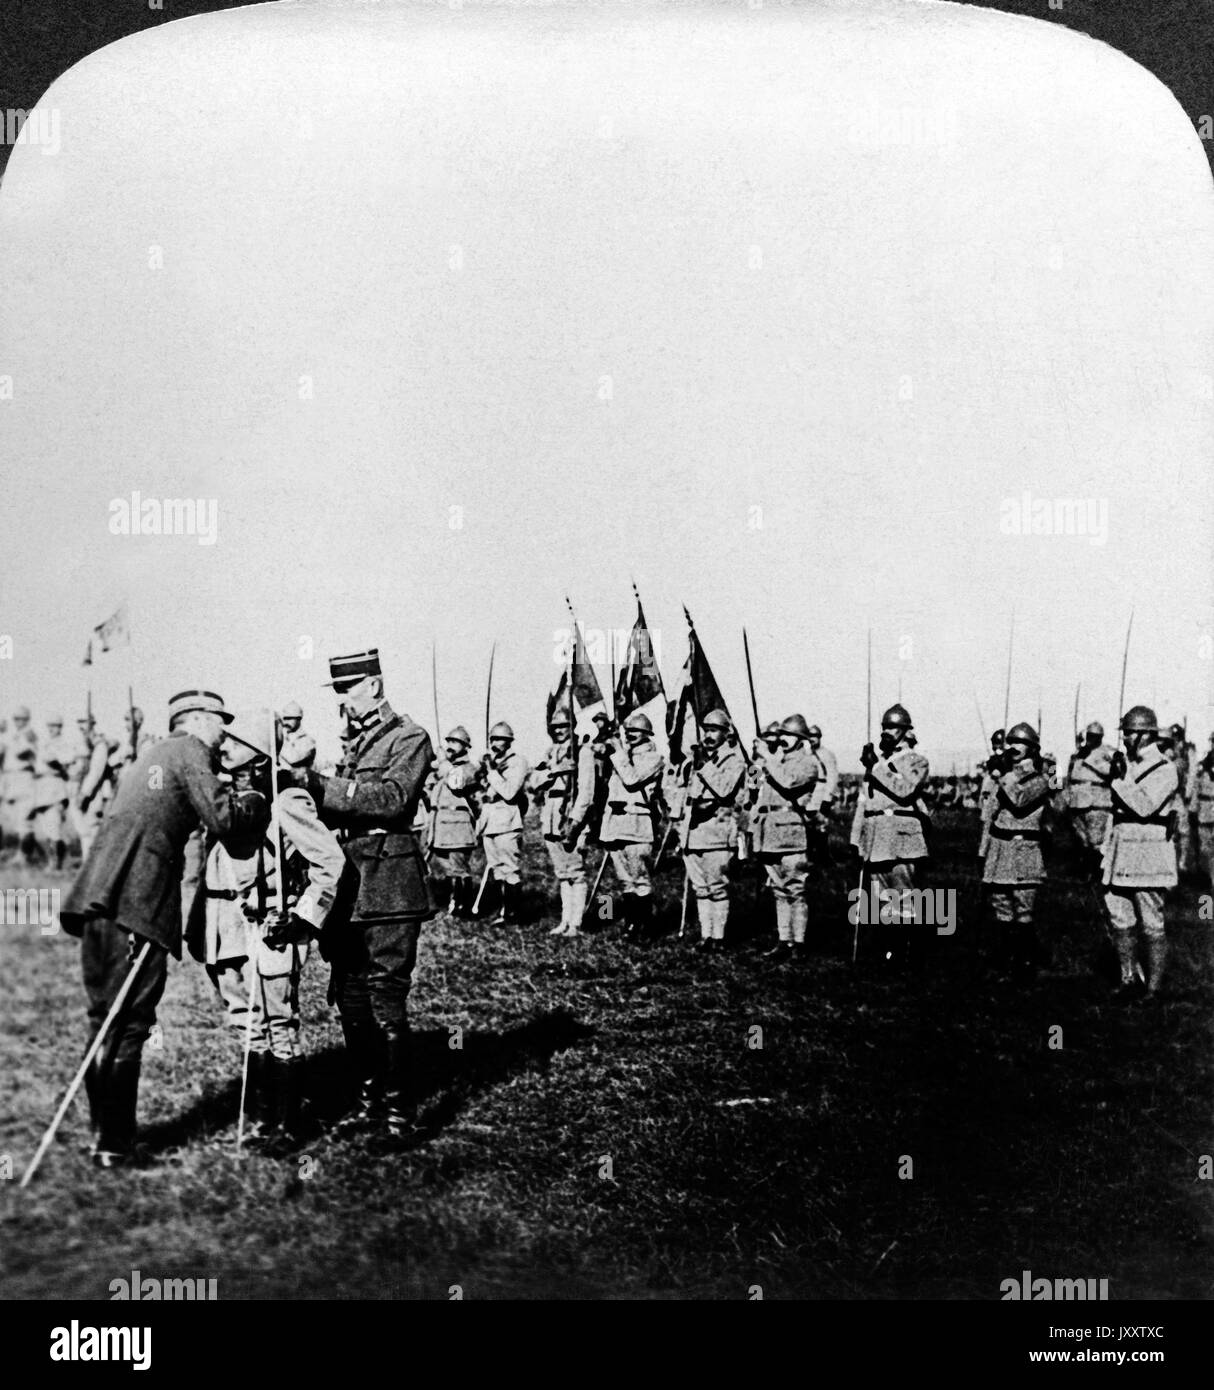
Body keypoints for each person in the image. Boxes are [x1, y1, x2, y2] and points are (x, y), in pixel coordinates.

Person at [61, 690, 265, 1168]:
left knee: (104, 1019)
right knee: (129, 1023)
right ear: (196, 720)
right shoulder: (190, 750)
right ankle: (115, 1145)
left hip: (96, 898)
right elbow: (225, 818)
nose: (224, 734)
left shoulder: (150, 753)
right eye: (221, 722)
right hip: (135, 903)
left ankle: (103, 1138)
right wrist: (254, 797)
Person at [186, 711, 345, 1151]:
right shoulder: (220, 795)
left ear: (258, 752)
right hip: (226, 926)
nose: (224, 747)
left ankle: (288, 1125)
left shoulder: (286, 800)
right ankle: (259, 1118)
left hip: (270, 926)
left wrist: (303, 916)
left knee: (279, 1021)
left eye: (235, 742)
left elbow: (330, 862)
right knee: (244, 1021)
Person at [294, 648, 435, 1142]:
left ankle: (399, 1117)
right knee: (351, 999)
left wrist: (319, 784)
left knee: (385, 999)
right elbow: (343, 808)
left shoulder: (409, 737)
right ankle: (370, 1102)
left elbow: (393, 799)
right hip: (352, 884)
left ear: (373, 686)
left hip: (391, 885)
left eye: (346, 690)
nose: (342, 701)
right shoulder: (355, 743)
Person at [1100, 705, 1179, 1003]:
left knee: (1151, 921)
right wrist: (1105, 850)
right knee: (1119, 915)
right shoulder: (1126, 766)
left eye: (1131, 733)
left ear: (1147, 735)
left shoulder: (1166, 769)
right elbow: (1116, 815)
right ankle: (1128, 978)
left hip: (1148, 853)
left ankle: (1154, 988)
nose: (1126, 739)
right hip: (1121, 851)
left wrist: (1120, 781)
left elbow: (1144, 807)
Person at [851, 703, 931, 967]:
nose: (887, 732)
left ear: (906, 731)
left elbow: (905, 790)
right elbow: (865, 803)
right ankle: (886, 953)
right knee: (882, 899)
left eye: (893, 727)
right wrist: (857, 839)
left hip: (902, 838)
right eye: (884, 727)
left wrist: (876, 768)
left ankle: (903, 955)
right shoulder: (878, 763)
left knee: (904, 897)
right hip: (877, 838)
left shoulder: (915, 761)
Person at [982, 722, 1051, 981]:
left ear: (1032, 749)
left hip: (1025, 848)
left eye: (1018, 743)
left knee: (1023, 907)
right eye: (1008, 743)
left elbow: (1020, 799)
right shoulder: (1004, 774)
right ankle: (1006, 962)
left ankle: (1024, 965)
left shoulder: (1040, 777)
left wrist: (1002, 775)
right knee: (1001, 905)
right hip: (1000, 846)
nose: (1011, 748)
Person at [751, 714, 821, 962]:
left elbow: (789, 783)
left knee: (795, 889)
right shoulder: (774, 760)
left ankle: (799, 943)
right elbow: (753, 785)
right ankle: (784, 940)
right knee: (779, 891)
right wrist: (757, 761)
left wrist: (768, 760)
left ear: (800, 739)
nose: (782, 739)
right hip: (769, 832)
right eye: (781, 734)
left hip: (791, 831)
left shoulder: (808, 763)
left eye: (788, 735)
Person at [596, 710, 665, 941]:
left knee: (640, 879)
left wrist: (617, 752)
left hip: (637, 824)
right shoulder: (622, 755)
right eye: (627, 731)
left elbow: (632, 780)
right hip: (616, 825)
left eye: (635, 731)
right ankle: (631, 925)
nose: (630, 734)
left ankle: (646, 927)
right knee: (625, 881)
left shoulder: (654, 758)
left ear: (647, 733)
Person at [681, 709, 746, 953]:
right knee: (701, 888)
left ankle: (719, 938)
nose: (708, 735)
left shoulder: (734, 761)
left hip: (718, 833)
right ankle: (705, 936)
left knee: (717, 887)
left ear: (726, 734)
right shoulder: (696, 759)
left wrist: (705, 766)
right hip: (694, 833)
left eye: (714, 730)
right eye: (706, 730)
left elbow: (724, 790)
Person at [531, 711, 596, 937]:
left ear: (573, 725)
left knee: (576, 872)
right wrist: (554, 770)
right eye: (555, 726)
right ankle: (565, 920)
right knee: (562, 873)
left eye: (564, 725)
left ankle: (576, 923)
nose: (559, 730)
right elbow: (534, 781)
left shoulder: (582, 752)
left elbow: (586, 791)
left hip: (570, 817)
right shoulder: (551, 753)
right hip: (551, 815)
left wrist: (575, 821)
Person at [475, 721, 531, 926]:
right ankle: (503, 911)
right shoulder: (491, 763)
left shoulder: (517, 762)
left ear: (509, 743)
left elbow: (509, 792)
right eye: (494, 739)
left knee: (510, 868)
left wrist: (491, 771)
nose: (496, 743)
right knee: (497, 868)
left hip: (507, 819)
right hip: (489, 821)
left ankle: (514, 913)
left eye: (501, 740)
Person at [427, 725, 481, 919]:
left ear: (465, 747)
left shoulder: (468, 768)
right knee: (448, 870)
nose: (450, 746)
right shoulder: (445, 767)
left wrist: (443, 762)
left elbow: (456, 782)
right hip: (441, 827)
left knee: (459, 869)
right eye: (449, 741)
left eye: (456, 742)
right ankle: (453, 905)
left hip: (458, 827)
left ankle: (462, 908)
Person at [1064, 721, 1114, 877]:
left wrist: (1091, 760)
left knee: (1096, 841)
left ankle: (1097, 873)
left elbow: (1111, 773)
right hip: (1077, 801)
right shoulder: (1079, 753)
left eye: (1095, 736)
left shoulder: (1105, 753)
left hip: (1096, 801)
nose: (1091, 739)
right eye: (1089, 736)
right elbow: (1070, 774)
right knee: (1081, 839)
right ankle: (1084, 872)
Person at [69, 713, 113, 861]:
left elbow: (96, 772)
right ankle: (87, 866)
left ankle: (93, 867)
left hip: (93, 794)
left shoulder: (99, 744)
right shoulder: (80, 744)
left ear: (92, 724)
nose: (82, 726)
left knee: (92, 829)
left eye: (85, 722)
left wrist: (84, 794)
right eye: (79, 722)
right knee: (83, 831)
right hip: (77, 790)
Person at [33, 713, 72, 870]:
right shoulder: (44, 742)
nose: (52, 729)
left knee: (54, 826)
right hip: (42, 787)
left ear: (60, 727)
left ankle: (57, 863)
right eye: (50, 726)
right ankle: (52, 861)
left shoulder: (63, 743)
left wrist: (55, 760)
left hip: (55, 786)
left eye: (55, 726)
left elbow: (65, 761)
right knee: (46, 828)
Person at [2, 705, 38, 865]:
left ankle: (25, 856)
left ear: (27, 719)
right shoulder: (12, 735)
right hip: (11, 778)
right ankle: (21, 853)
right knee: (15, 819)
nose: (18, 722)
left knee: (24, 819)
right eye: (16, 719)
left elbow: (30, 754)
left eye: (22, 719)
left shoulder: (29, 735)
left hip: (24, 777)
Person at [1189, 733, 1214, 887]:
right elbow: (1196, 789)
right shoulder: (1203, 765)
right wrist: (1193, 809)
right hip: (1205, 811)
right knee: (1206, 849)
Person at [278, 700, 317, 769]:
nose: (285, 722)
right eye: (284, 719)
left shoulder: (308, 741)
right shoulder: (284, 737)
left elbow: (293, 759)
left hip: (299, 779)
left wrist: (279, 740)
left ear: (299, 719)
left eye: (289, 718)